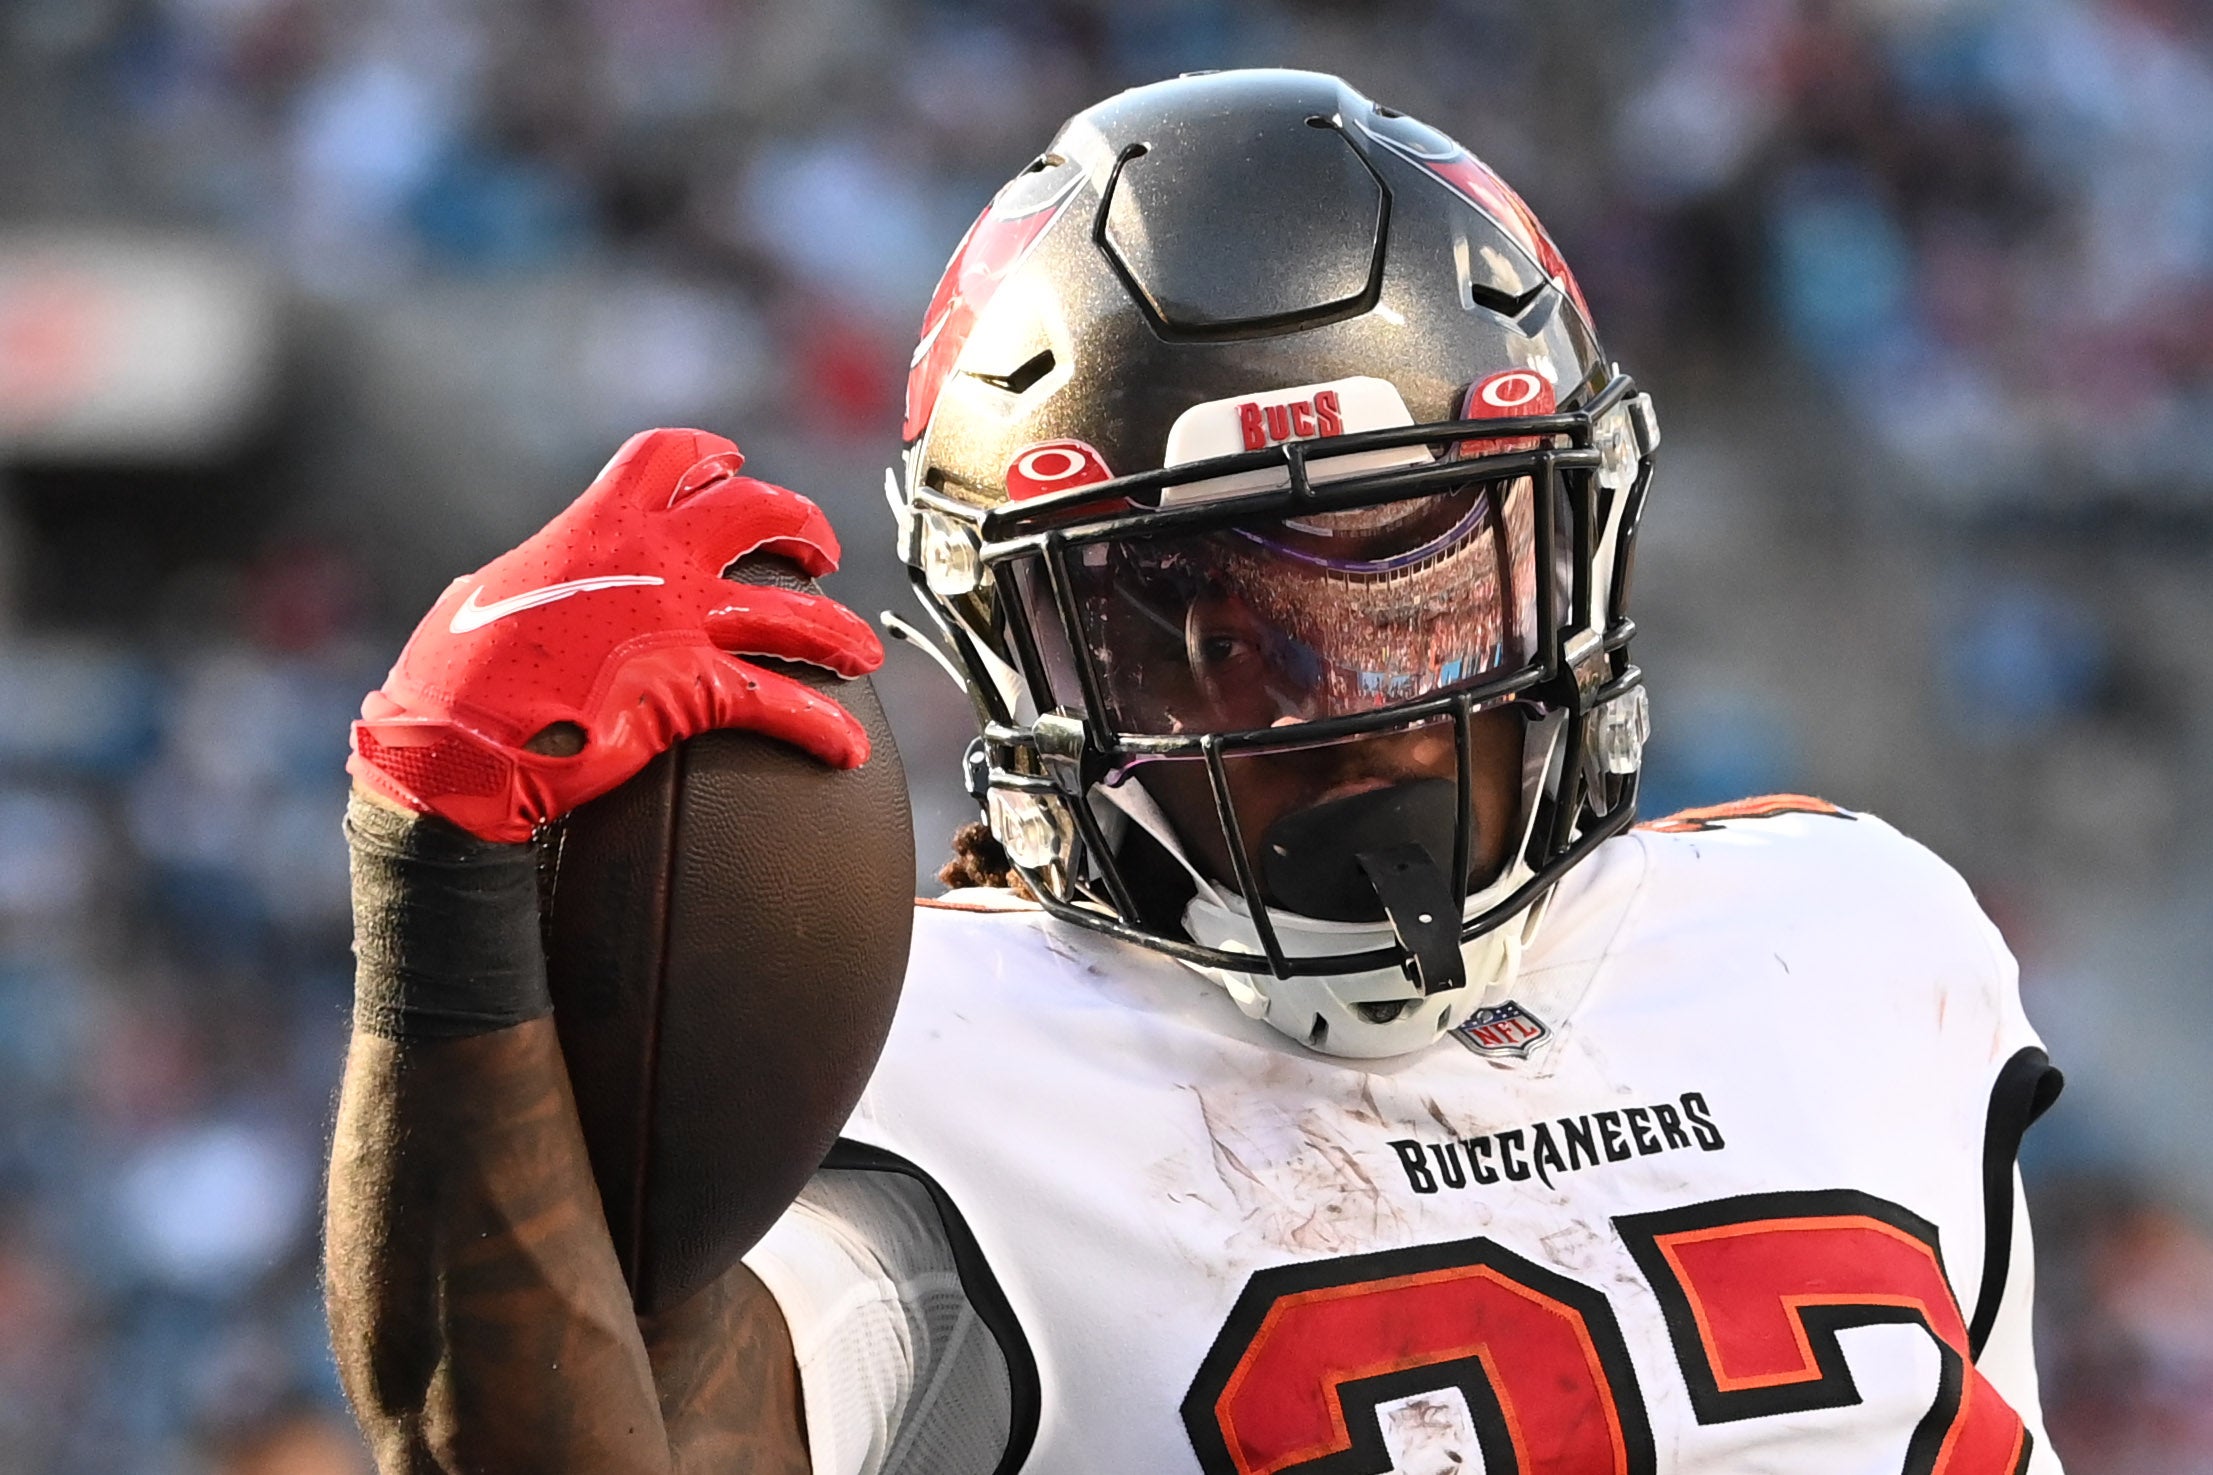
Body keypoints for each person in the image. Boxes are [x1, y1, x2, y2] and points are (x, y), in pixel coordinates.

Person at [325, 70, 2065, 1474]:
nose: (1349, 700)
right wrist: (444, 886)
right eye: (1199, 617)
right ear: (1015, 643)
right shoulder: (919, 1062)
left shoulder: (1843, 936)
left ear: (1575, 535)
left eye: (1417, 581)